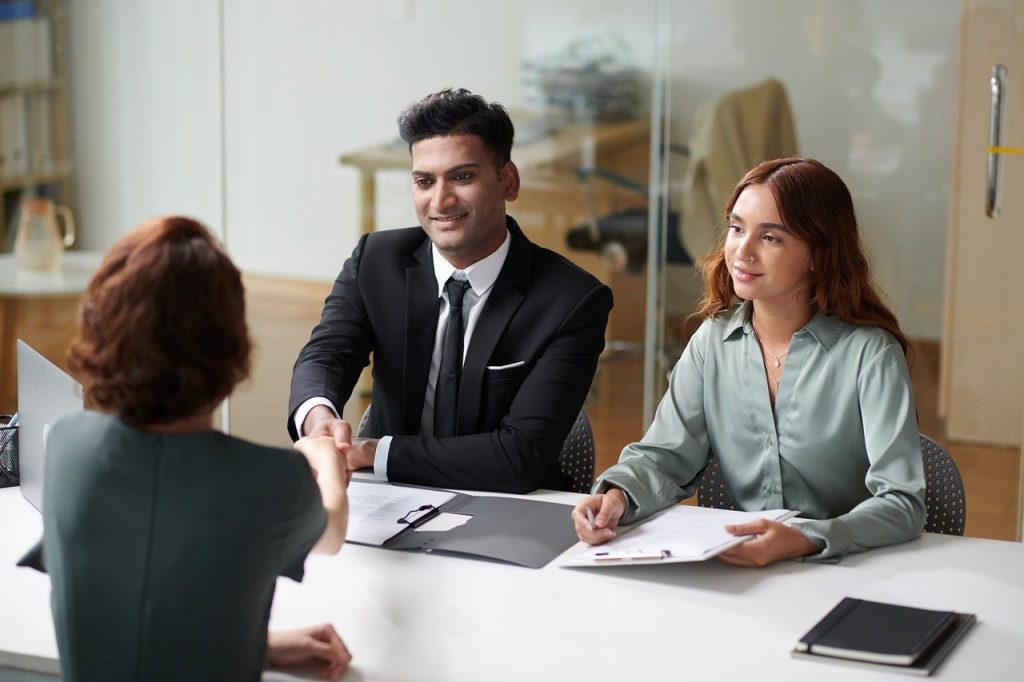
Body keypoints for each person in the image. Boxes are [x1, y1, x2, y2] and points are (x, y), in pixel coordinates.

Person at [18, 217, 352, 680]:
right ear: (231, 348)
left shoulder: (66, 444)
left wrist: (257, 643)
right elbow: (332, 533)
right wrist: (323, 462)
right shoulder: (269, 479)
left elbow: (130, 602)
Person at [572, 158, 926, 566]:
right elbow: (664, 459)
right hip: (742, 569)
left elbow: (902, 502)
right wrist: (615, 498)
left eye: (771, 237)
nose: (743, 251)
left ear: (818, 253)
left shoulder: (871, 355)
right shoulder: (712, 343)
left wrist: (805, 538)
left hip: (846, 569)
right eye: (737, 229)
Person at [289, 88, 612, 493]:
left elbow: (519, 457)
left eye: (462, 177)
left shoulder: (572, 300)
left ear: (507, 181)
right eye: (424, 181)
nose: (440, 200)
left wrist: (373, 452)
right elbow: (325, 354)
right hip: (387, 499)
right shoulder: (375, 261)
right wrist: (318, 416)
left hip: (508, 507)